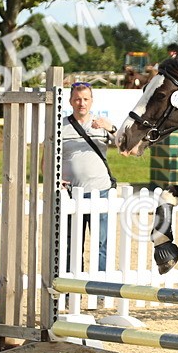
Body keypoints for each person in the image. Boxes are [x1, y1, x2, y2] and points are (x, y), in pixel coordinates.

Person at [62, 82, 117, 272]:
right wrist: (54, 179)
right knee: (71, 245)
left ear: (92, 101)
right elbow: (47, 161)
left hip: (100, 192)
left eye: (85, 99)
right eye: (77, 99)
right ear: (70, 101)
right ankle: (71, 291)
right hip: (71, 194)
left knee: (101, 245)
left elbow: (129, 149)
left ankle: (102, 291)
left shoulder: (102, 125)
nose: (81, 103)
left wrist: (112, 129)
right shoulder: (61, 126)